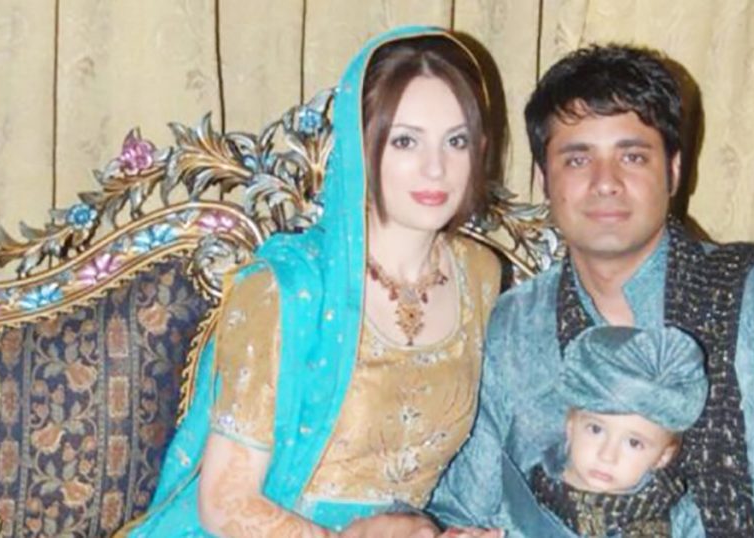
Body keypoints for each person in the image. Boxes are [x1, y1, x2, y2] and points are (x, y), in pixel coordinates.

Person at [425, 44, 754, 536]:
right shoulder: (516, 323)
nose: (606, 182)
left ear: (674, 171)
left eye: (632, 156)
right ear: (543, 179)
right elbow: (465, 507)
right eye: (577, 159)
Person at [120, 26, 503, 537]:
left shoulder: (480, 275)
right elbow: (226, 502)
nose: (436, 168)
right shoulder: (285, 289)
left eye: (456, 141)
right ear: (360, 148)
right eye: (405, 141)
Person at [529, 325, 707, 537]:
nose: (607, 456)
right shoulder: (525, 499)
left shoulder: (679, 519)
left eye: (634, 443)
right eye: (596, 429)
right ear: (571, 425)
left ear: (663, 456)